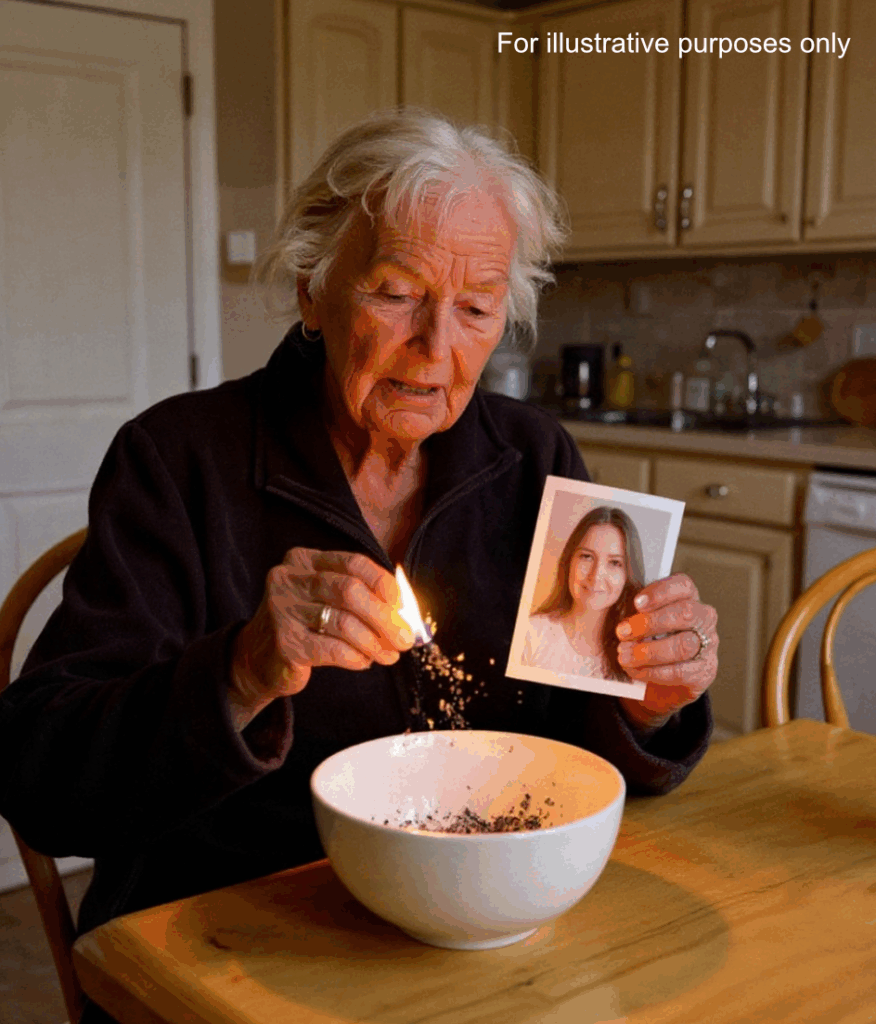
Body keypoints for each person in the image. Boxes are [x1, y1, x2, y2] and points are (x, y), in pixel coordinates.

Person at [0, 110, 718, 1023]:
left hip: (484, 933)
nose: (436, 348)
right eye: (396, 293)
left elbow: (572, 754)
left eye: (476, 308)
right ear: (313, 290)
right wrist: (241, 670)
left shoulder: (532, 457)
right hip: (243, 940)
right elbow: (40, 776)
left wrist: (645, 702)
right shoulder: (178, 461)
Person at [522, 506, 645, 680]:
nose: (596, 576)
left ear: (628, 575)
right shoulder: (530, 634)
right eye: (587, 557)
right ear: (569, 562)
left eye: (614, 563)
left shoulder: (640, 653)